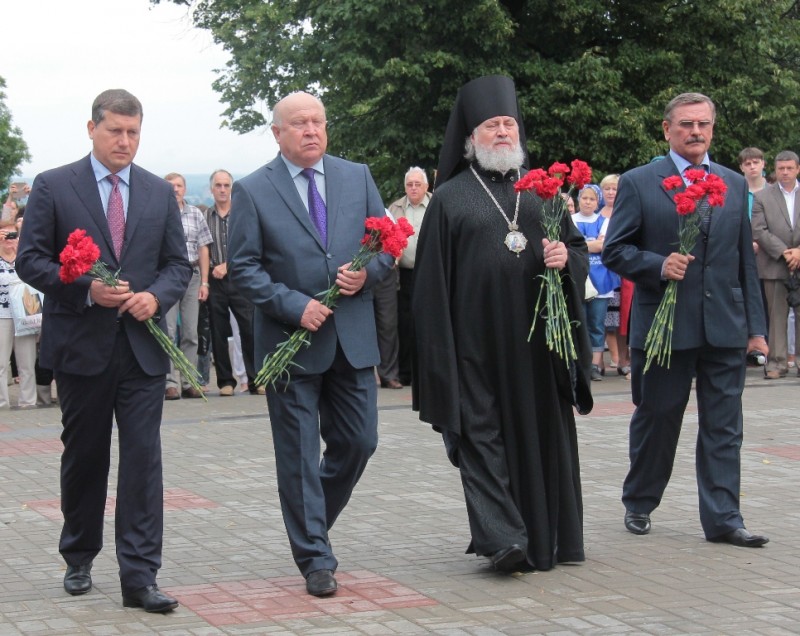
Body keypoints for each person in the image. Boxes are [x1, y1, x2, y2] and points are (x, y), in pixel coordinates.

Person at [15, 89, 191, 611]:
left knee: (142, 460)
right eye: (115, 130)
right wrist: (83, 289)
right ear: (91, 128)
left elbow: (178, 265)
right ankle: (79, 554)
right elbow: (31, 260)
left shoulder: (160, 192)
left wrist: (154, 297)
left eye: (134, 132)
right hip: (81, 348)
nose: (125, 141)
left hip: (141, 351)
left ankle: (139, 577)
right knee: (86, 457)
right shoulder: (54, 185)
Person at [412, 75, 592, 573]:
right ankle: (502, 539)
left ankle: (549, 539)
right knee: (480, 435)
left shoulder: (543, 193)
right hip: (474, 344)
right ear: (471, 138)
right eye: (491, 125)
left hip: (538, 346)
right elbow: (429, 287)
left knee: (542, 438)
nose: (502, 133)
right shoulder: (448, 199)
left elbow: (578, 253)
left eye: (509, 124)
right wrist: (437, 354)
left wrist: (563, 258)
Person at [227, 91, 393, 597]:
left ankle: (309, 517)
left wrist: (366, 276)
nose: (310, 130)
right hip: (290, 343)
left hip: (352, 339)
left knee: (359, 441)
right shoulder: (254, 189)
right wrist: (292, 304)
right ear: (277, 133)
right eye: (298, 123)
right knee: (298, 455)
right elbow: (243, 268)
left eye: (318, 121)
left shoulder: (356, 175)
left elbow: (387, 243)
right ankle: (315, 557)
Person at [602, 92, 769, 547]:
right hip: (665, 324)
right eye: (686, 125)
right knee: (659, 418)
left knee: (724, 425)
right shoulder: (640, 182)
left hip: (724, 325)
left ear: (713, 128)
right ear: (667, 129)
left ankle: (724, 519)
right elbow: (615, 249)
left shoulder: (733, 184)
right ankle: (639, 500)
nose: (696, 132)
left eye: (703, 124)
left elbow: (743, 264)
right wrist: (658, 265)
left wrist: (756, 330)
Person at [204, 169, 261, 396]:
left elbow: (251, 243)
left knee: (249, 329)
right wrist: (206, 280)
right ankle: (225, 382)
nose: (222, 189)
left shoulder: (242, 213)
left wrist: (229, 265)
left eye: (226, 185)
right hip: (215, 281)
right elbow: (203, 249)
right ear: (211, 189)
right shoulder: (206, 216)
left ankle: (257, 379)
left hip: (240, 279)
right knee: (218, 331)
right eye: (218, 185)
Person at [751, 150, 800, 379]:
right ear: (775, 170)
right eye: (781, 168)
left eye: (790, 168)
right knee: (776, 316)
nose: (785, 172)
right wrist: (784, 252)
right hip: (774, 264)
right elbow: (758, 230)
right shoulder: (763, 197)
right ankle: (777, 363)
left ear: (797, 169)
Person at [163, 172, 213, 399]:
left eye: (179, 185)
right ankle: (169, 382)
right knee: (169, 331)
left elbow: (204, 248)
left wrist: (205, 281)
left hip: (192, 275)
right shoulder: (159, 213)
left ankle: (189, 380)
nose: (175, 189)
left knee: (191, 332)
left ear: (185, 188)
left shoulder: (195, 214)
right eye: (171, 185)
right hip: (168, 276)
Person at [388, 167, 432, 386]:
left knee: (429, 322)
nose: (413, 188)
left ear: (426, 186)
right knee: (404, 324)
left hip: (430, 274)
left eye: (417, 184)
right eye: (409, 184)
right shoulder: (395, 208)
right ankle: (405, 372)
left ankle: (428, 371)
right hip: (403, 275)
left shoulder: (436, 204)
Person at [572, 184, 618, 380]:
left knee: (596, 324)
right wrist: (591, 245)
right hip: (578, 278)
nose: (588, 202)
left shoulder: (604, 221)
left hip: (600, 281)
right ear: (579, 199)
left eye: (592, 199)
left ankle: (594, 365)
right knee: (578, 322)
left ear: (597, 201)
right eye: (584, 198)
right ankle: (580, 363)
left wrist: (581, 244)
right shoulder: (571, 220)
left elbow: (602, 245)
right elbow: (569, 245)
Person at [0, 222, 37, 408]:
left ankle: (28, 402)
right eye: (5, 235)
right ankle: (2, 402)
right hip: (2, 315)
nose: (9, 239)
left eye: (13, 235)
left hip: (25, 314)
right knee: (1, 362)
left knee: (27, 362)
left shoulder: (24, 259)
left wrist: (19, 249)